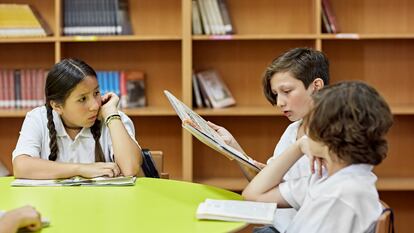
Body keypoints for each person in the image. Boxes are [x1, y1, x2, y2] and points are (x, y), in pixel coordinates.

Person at [243, 81, 393, 233]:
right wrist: (298, 146)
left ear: (329, 133)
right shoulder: (329, 179)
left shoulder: (338, 195)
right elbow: (253, 195)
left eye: (310, 124)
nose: (305, 131)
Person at [209, 47, 329, 231]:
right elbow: (265, 182)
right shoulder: (292, 130)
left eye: (287, 91)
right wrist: (233, 147)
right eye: (276, 94)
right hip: (277, 226)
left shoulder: (332, 139)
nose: (280, 102)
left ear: (316, 86)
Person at [12, 58, 141, 179]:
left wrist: (112, 114)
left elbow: (130, 169)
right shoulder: (38, 118)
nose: (95, 106)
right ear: (57, 106)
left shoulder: (113, 119)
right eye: (82, 99)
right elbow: (21, 166)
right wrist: (81, 169)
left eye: (96, 93)